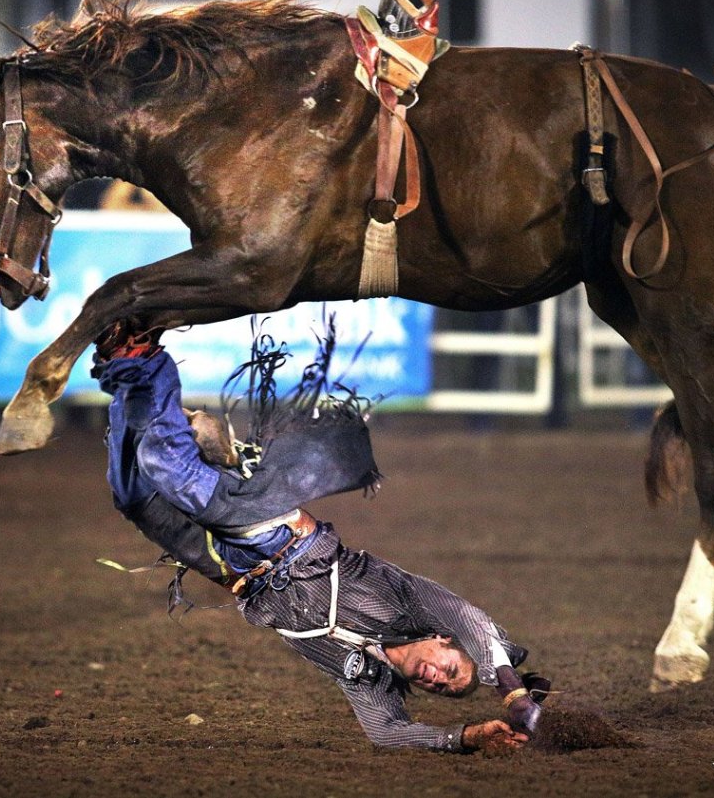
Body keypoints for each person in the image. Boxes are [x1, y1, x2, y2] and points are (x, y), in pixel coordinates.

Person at [91, 322, 548, 753]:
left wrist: (463, 737)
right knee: (169, 469)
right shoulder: (409, 603)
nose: (438, 679)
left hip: (234, 572)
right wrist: (511, 691)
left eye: (444, 690)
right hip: (278, 536)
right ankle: (147, 360)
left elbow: (387, 733)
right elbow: (471, 618)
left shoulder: (369, 680)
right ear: (443, 639)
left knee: (134, 495)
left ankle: (125, 370)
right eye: (450, 670)